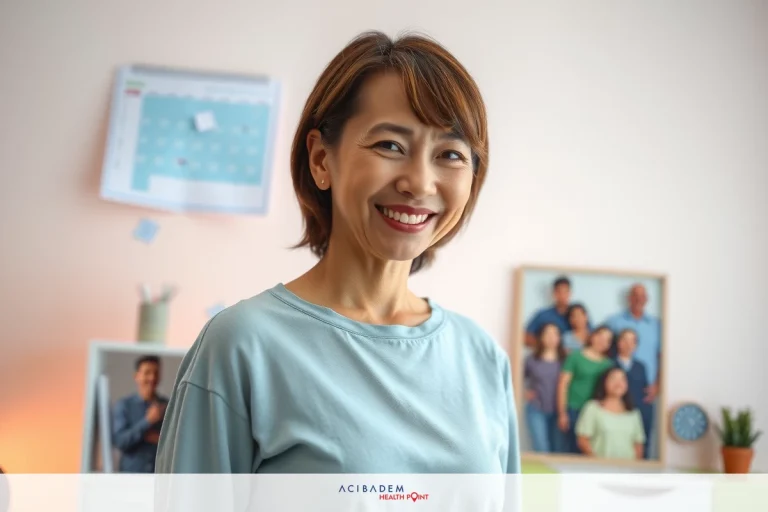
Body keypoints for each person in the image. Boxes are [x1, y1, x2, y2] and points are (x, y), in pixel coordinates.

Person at [155, 31, 521, 474]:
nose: (420, 183)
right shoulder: (241, 345)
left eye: (450, 154)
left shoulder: (482, 359)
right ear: (321, 160)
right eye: (390, 145)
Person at [605, 283, 661, 457]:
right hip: (616, 396)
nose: (638, 299)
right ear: (628, 298)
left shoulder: (656, 325)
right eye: (634, 295)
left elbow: (662, 355)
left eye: (642, 296)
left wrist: (658, 385)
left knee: (642, 439)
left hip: (644, 393)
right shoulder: (614, 321)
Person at [556, 326, 614, 453]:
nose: (602, 341)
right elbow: (562, 385)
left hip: (594, 414)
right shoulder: (575, 357)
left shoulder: (608, 364)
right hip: (573, 409)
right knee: (569, 450)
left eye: (607, 340)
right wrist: (562, 413)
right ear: (593, 336)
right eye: (600, 336)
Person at [111, 355, 168, 473]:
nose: (152, 378)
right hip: (130, 478)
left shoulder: (168, 406)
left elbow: (174, 444)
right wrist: (147, 422)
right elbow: (120, 442)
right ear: (136, 376)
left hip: (160, 476)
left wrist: (158, 439)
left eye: (156, 373)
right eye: (147, 373)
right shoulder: (124, 405)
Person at [575, 367, 646, 460]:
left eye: (622, 379)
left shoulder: (634, 413)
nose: (618, 383)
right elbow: (582, 440)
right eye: (613, 379)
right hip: (600, 470)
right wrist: (597, 462)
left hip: (627, 471)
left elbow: (638, 444)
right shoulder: (592, 408)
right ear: (604, 382)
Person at [524, 323, 567, 453]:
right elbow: (516, 377)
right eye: (547, 334)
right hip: (537, 408)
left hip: (559, 411)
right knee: (541, 447)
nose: (551, 338)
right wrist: (524, 393)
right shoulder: (531, 360)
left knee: (558, 449)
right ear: (541, 337)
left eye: (555, 334)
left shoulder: (565, 360)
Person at [613, 328, 652, 459]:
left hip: (640, 411)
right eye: (625, 340)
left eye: (632, 341)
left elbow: (645, 390)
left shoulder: (641, 366)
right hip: (616, 413)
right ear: (618, 342)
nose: (628, 344)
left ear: (636, 346)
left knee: (641, 448)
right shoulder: (610, 364)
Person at [524, 277, 572, 347]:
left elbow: (589, 336)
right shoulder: (543, 315)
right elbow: (526, 337)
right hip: (548, 357)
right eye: (559, 292)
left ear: (570, 293)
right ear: (554, 293)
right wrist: (545, 347)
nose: (562, 295)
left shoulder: (577, 315)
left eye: (565, 292)